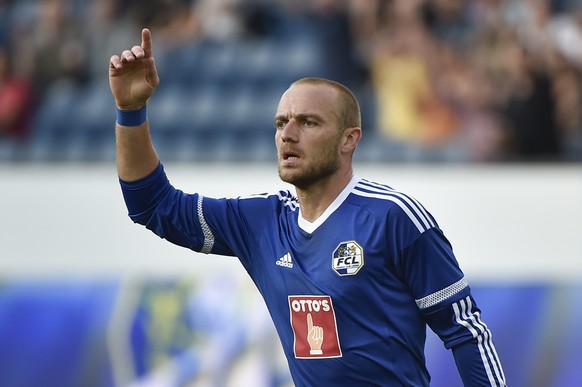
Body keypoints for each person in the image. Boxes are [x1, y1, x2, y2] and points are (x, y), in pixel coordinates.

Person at [109, 28, 507, 386]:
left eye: (308, 123)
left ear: (349, 139)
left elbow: (465, 331)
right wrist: (130, 111)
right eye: (281, 123)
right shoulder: (261, 222)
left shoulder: (393, 217)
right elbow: (151, 205)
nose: (288, 135)